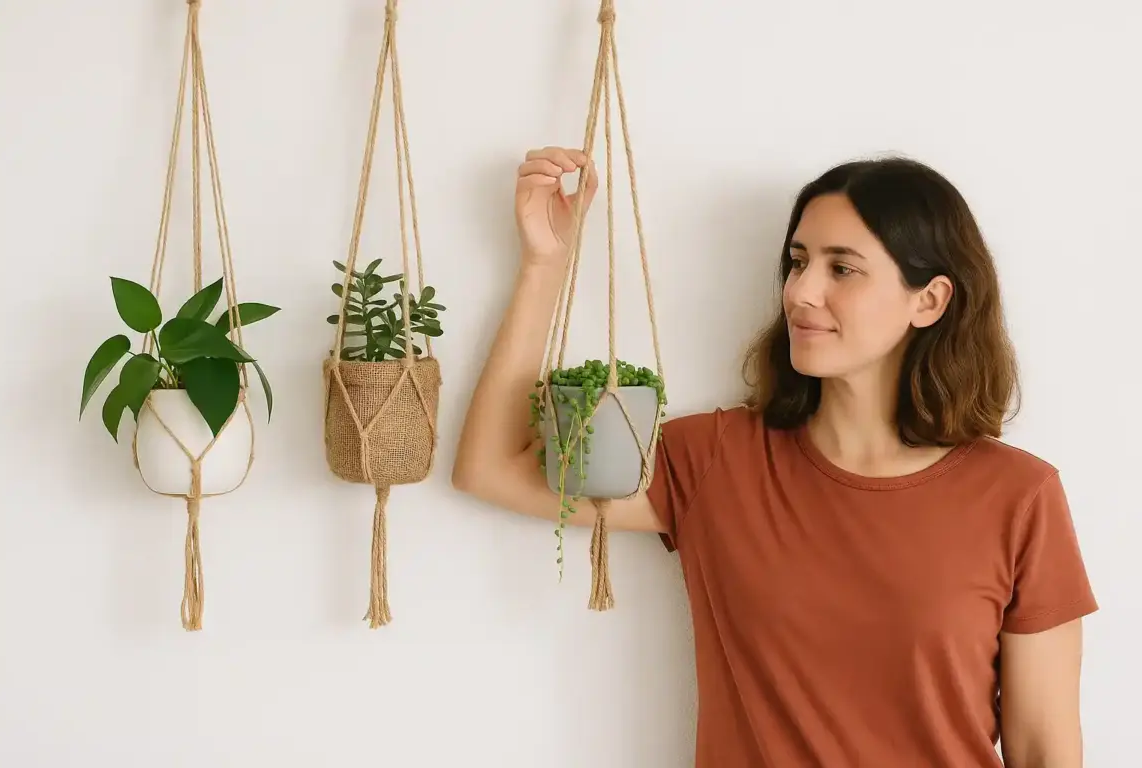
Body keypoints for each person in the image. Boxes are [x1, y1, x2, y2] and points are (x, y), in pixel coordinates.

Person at [451, 146, 1098, 767]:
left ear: (928, 300)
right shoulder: (712, 461)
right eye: (798, 261)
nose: (800, 292)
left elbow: (1044, 751)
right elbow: (491, 468)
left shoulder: (1018, 496)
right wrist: (545, 266)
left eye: (842, 268)